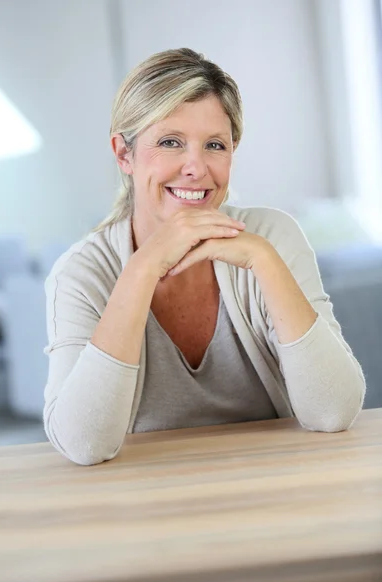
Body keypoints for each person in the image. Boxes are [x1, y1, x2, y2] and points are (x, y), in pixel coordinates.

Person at [44, 48, 365, 466]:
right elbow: (83, 444)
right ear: (124, 154)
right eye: (170, 143)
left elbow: (333, 411)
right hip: (146, 504)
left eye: (215, 145)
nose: (196, 167)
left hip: (277, 489)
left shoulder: (270, 236)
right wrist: (142, 269)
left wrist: (265, 262)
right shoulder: (82, 272)